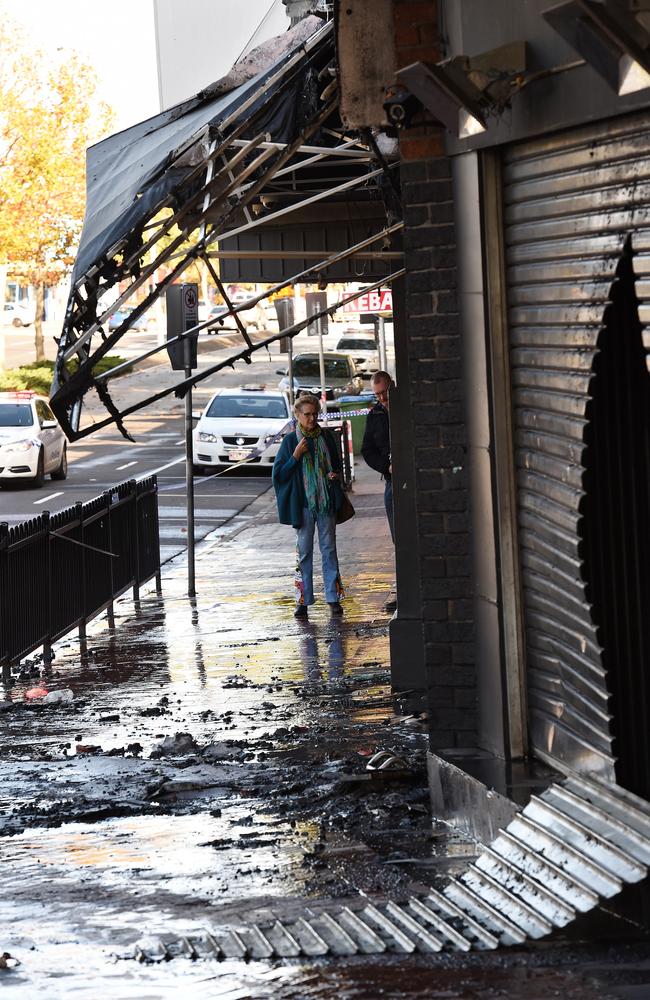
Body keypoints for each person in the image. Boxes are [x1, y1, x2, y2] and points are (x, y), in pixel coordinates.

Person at [272, 393, 345, 618]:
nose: (312, 419)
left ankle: (333, 598)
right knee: (303, 553)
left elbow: (338, 465)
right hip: (303, 505)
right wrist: (295, 456)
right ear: (297, 415)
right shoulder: (290, 441)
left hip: (325, 503)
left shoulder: (326, 437)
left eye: (315, 414)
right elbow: (279, 475)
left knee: (329, 550)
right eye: (307, 415)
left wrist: (334, 475)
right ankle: (303, 601)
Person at [361, 371, 394, 543]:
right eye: (377, 394)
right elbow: (367, 450)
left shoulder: (407, 407)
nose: (382, 398)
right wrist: (386, 467)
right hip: (391, 479)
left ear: (392, 386)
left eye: (384, 392)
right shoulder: (374, 416)